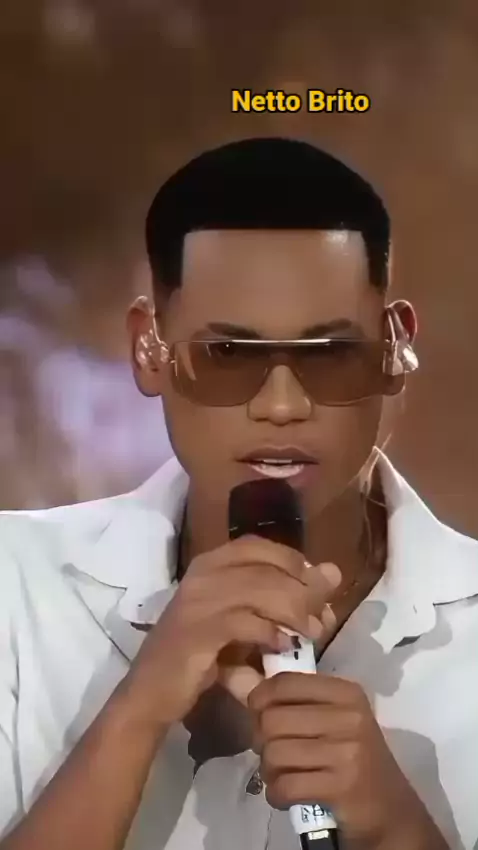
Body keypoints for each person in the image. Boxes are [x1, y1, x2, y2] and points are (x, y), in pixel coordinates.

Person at [0, 137, 476, 850]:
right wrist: (135, 712)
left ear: (394, 347)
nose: (281, 405)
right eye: (227, 354)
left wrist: (400, 829)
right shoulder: (15, 585)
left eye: (329, 353)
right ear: (149, 348)